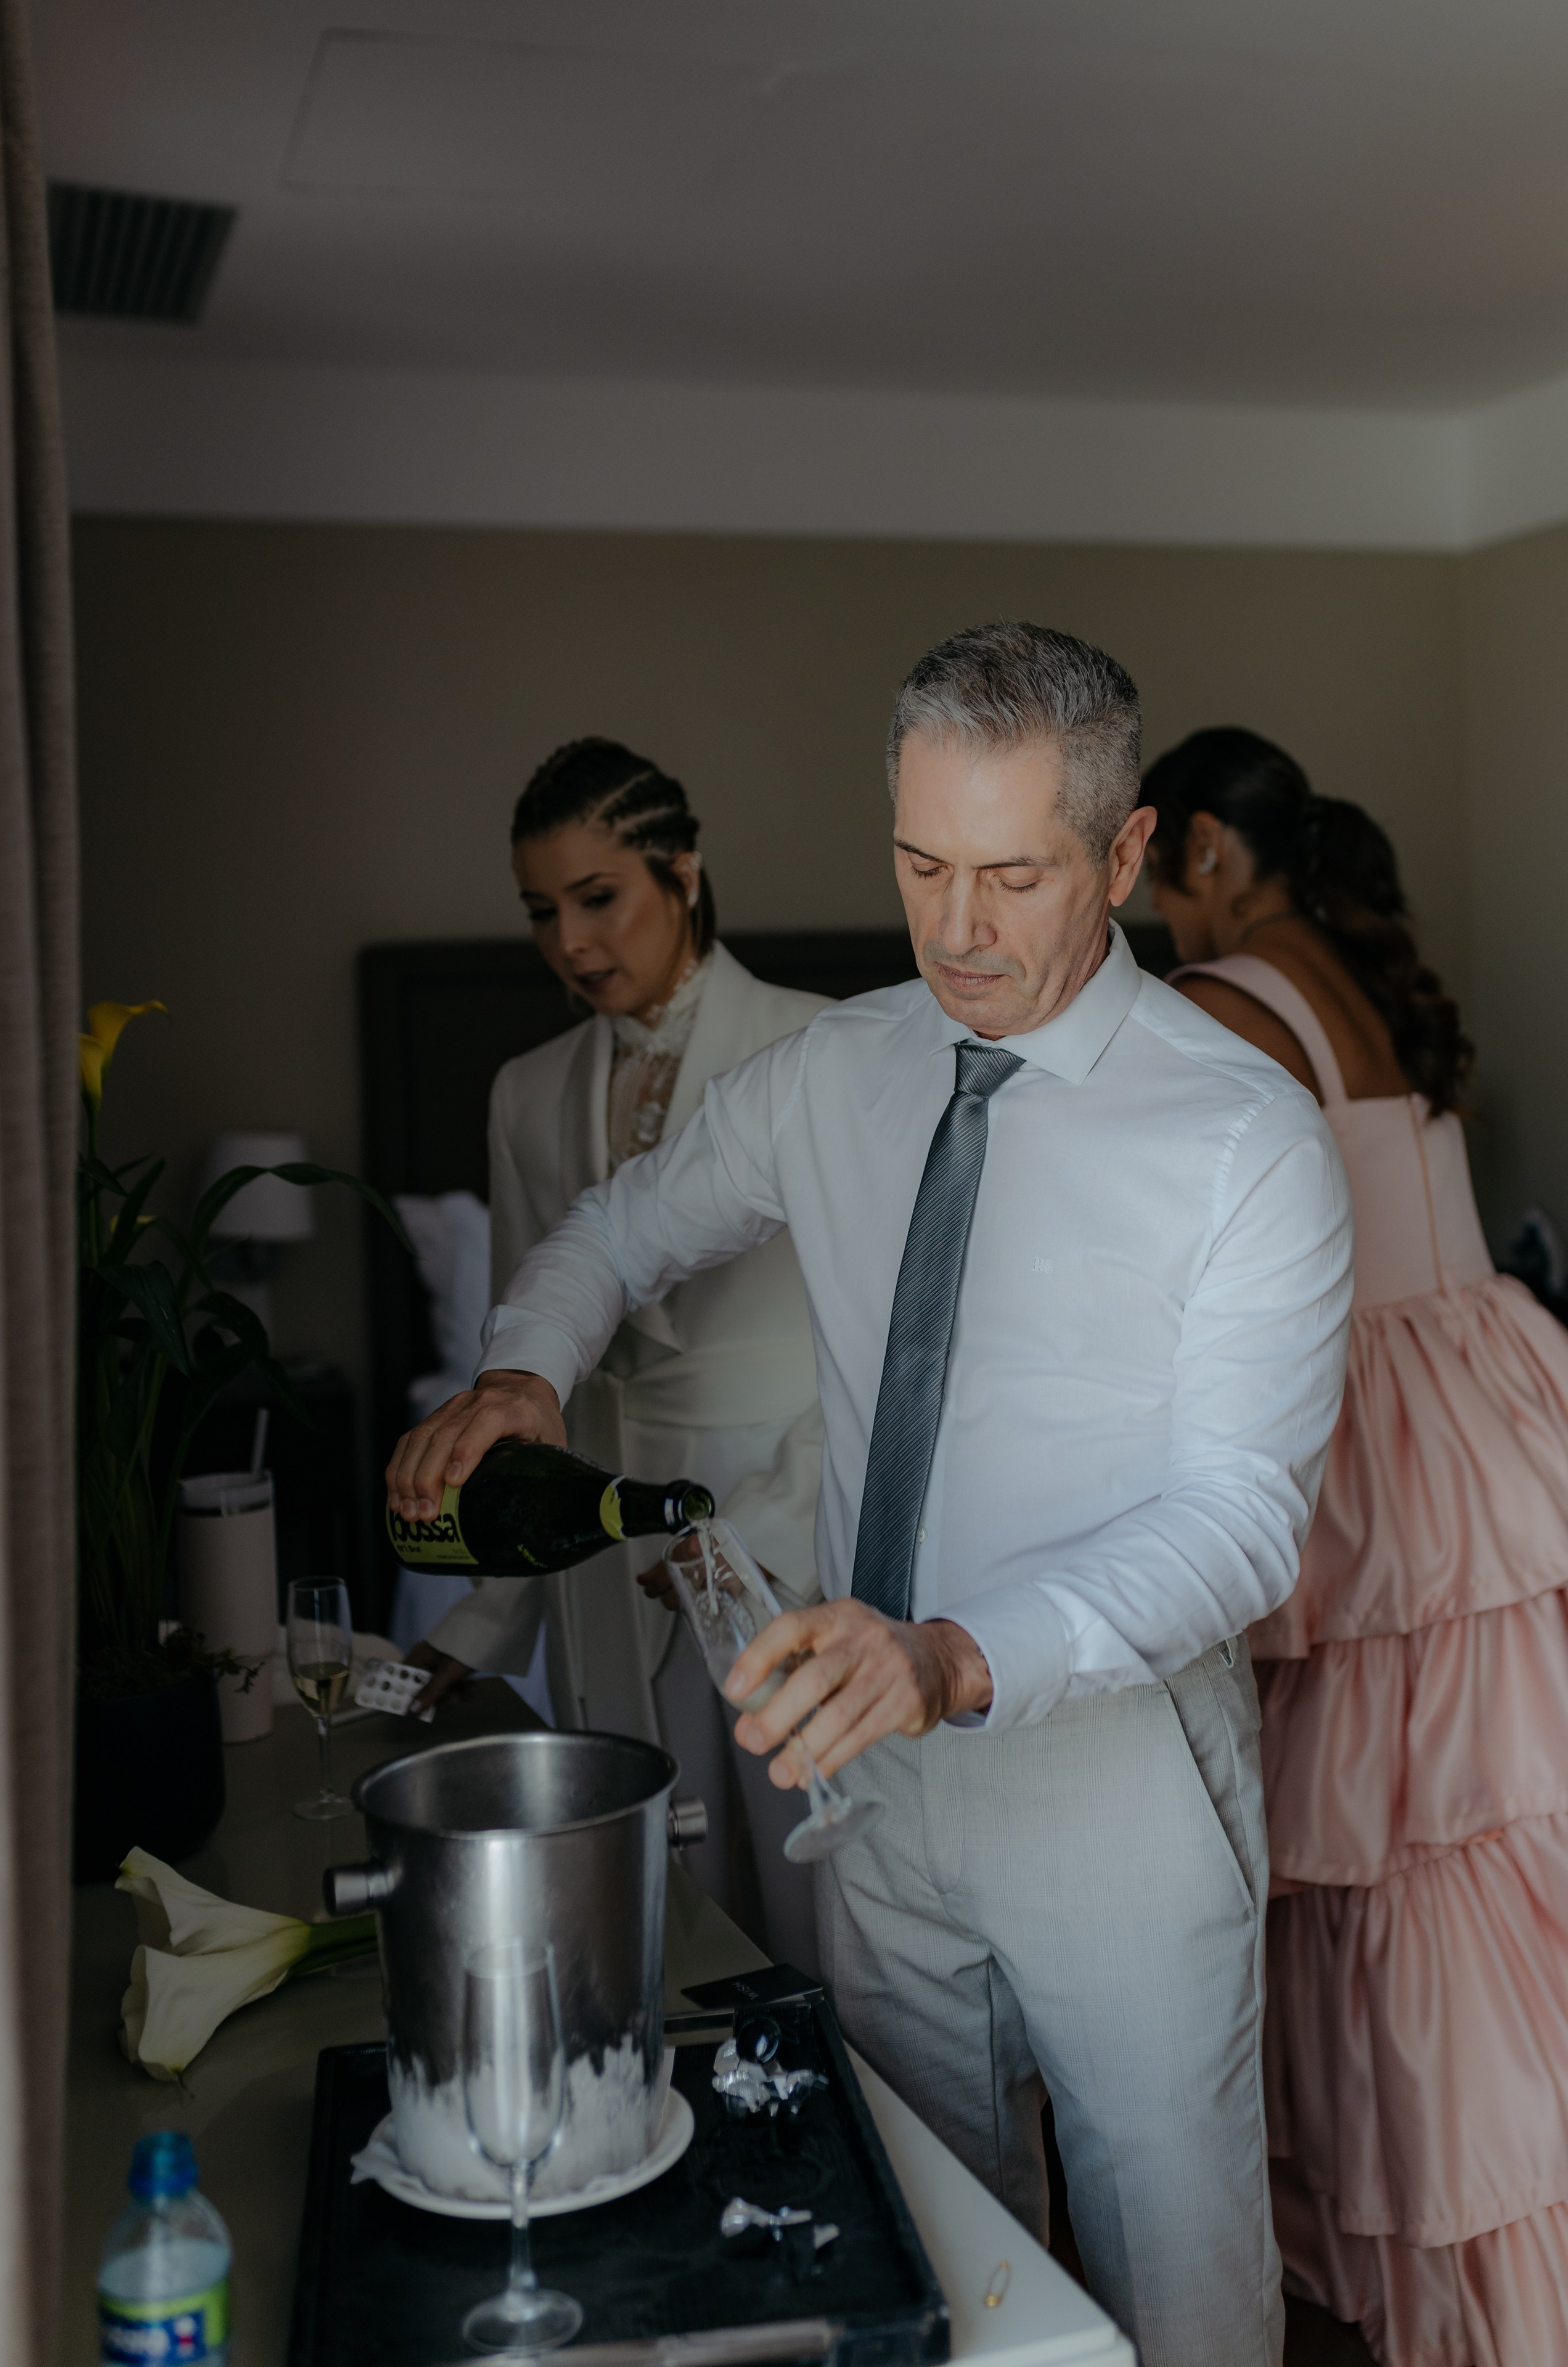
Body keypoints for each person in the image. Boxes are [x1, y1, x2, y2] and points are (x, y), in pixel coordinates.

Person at [388, 626, 1354, 2367]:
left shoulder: (1246, 1137)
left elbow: (1240, 1523)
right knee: (921, 2256)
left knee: (1183, 2301)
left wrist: (957, 1658)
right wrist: (529, 1365)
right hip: (880, 1789)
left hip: (1112, 1788)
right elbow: (615, 1226)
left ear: (1125, 856)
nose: (958, 930)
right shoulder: (842, 1070)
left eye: (1013, 875)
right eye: (920, 865)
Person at [1148, 725, 1568, 2367]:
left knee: (1384, 1871)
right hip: (1477, 1421)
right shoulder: (1367, 977)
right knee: (1487, 1857)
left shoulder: (1221, 1001)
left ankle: (1437, 2270)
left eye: (1149, 867)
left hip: (1376, 1460)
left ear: (1199, 850)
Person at [403, 736, 829, 1966]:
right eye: (542, 912)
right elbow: (514, 1378)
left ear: (682, 874)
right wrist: (481, 1621)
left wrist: (761, 1529)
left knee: (804, 1905)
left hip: (772, 1528)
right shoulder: (523, 1091)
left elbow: (877, 1356)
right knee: (649, 1907)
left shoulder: (819, 1049)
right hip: (591, 1533)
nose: (571, 944)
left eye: (599, 899)